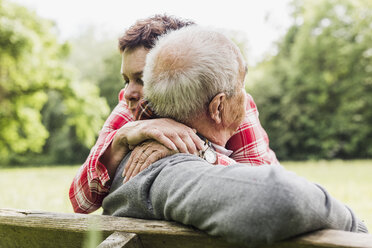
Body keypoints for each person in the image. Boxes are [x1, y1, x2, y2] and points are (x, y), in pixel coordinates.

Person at [102, 26, 368, 247]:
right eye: (241, 86)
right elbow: (280, 196)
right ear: (218, 107)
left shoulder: (153, 161)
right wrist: (355, 227)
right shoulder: (158, 168)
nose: (246, 97)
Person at [69, 14, 278, 214]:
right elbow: (81, 203)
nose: (129, 92)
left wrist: (198, 151)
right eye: (126, 79)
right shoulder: (130, 105)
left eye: (141, 79)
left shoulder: (232, 103)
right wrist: (119, 140)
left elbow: (263, 190)